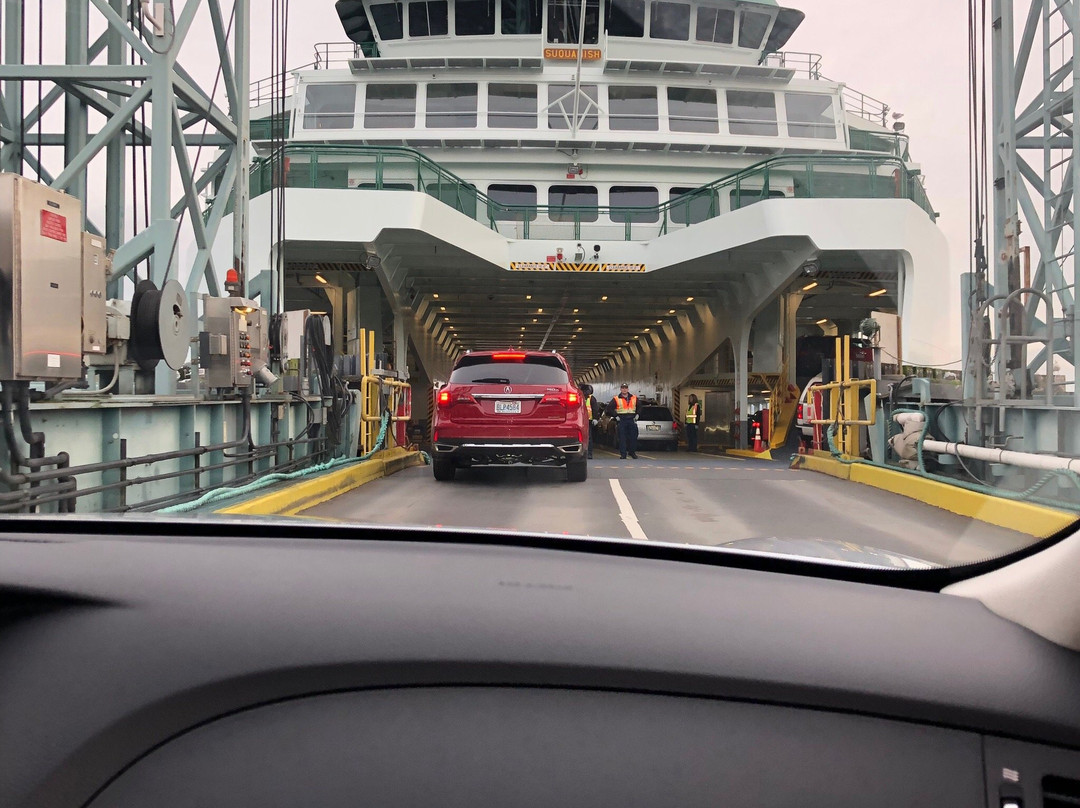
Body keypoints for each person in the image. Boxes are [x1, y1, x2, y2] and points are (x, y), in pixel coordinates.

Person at [609, 383, 638, 459]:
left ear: (628, 389)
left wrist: (638, 414)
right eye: (623, 388)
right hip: (622, 419)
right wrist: (616, 416)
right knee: (622, 438)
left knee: (633, 437)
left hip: (631, 419)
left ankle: (632, 452)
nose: (624, 389)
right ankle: (623, 454)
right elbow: (609, 408)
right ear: (620, 389)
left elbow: (640, 407)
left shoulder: (634, 397)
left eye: (625, 388)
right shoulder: (616, 398)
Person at [582, 385, 600, 459]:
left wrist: (595, 418)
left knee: (588, 437)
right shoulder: (580, 397)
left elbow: (595, 409)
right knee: (586, 437)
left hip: (587, 420)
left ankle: (588, 453)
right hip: (582, 421)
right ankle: (586, 453)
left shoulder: (591, 398)